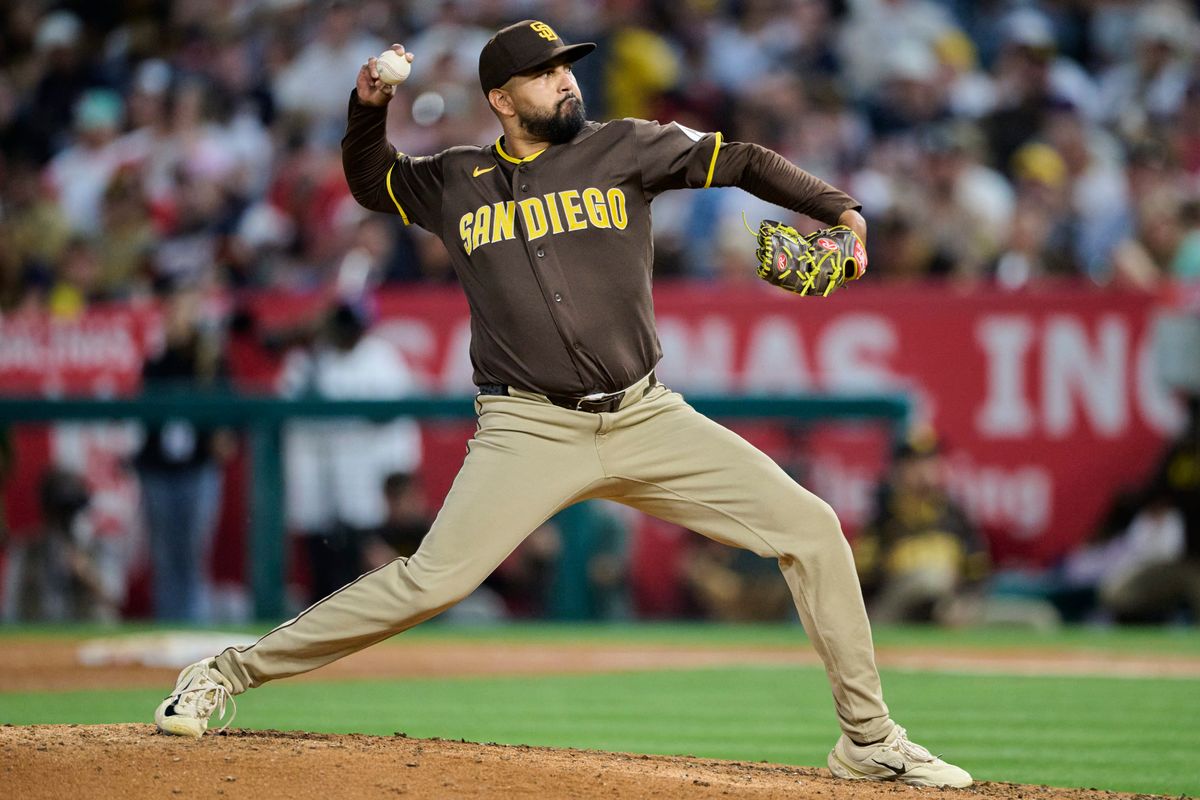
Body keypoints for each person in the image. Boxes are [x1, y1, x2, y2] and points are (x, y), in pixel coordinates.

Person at [153, 21, 971, 789]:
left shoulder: (627, 146)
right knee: (428, 585)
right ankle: (223, 672)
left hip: (648, 415)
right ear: (502, 101)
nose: (564, 82)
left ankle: (867, 742)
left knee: (812, 528)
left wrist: (841, 210)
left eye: (566, 69)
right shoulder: (455, 182)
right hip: (527, 426)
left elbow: (745, 158)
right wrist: (368, 109)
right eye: (543, 75)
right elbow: (373, 183)